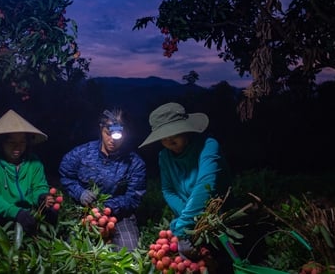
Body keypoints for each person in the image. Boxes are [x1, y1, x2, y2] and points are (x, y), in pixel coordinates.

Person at [139, 102, 229, 263]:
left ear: (186, 128)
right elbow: (168, 190)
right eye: (163, 137)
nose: (169, 141)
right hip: (190, 222)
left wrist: (181, 227)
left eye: (174, 134)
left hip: (220, 221)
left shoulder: (208, 146)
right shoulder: (164, 157)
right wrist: (188, 221)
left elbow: (206, 185)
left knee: (221, 263)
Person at [58, 108, 146, 251]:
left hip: (119, 216)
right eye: (108, 134)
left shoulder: (135, 163)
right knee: (74, 249)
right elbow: (66, 175)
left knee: (128, 252)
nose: (112, 140)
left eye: (117, 136)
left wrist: (108, 207)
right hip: (85, 212)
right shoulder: (81, 154)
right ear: (101, 129)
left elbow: (134, 197)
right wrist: (79, 193)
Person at [0, 109, 58, 238]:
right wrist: (16, 212)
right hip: (3, 213)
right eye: (11, 142)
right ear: (1, 143)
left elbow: (39, 186)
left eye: (22, 142)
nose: (17, 147)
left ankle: (46, 239)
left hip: (28, 213)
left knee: (52, 212)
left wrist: (41, 197)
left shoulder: (34, 162)